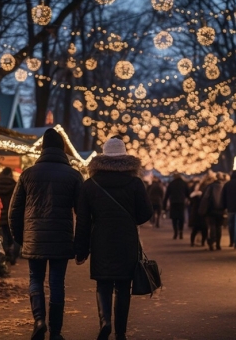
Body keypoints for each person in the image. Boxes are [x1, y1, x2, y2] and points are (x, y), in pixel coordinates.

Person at [74, 137, 153, 340]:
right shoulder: (135, 183)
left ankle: (105, 321)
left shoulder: (90, 185)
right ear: (125, 158)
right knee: (123, 286)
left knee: (103, 284)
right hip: (127, 239)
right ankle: (120, 333)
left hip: (100, 239)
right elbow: (146, 213)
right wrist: (130, 218)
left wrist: (81, 251)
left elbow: (82, 221)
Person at [9, 128, 84, 340]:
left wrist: (22, 239)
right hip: (61, 240)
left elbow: (14, 211)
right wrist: (80, 245)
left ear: (42, 149)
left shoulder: (28, 174)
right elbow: (83, 214)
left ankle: (39, 320)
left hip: (35, 239)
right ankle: (56, 332)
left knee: (35, 279)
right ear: (62, 149)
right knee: (57, 282)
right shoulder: (73, 175)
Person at [0, 167, 19, 265]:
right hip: (11, 215)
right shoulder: (15, 185)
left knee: (3, 236)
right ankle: (13, 255)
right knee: (14, 236)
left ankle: (6, 253)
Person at [198, 172, 224, 250]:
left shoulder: (210, 187)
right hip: (220, 210)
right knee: (219, 227)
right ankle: (218, 244)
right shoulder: (223, 187)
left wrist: (202, 210)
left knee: (212, 226)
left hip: (211, 209)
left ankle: (211, 243)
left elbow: (205, 198)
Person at [163, 173, 190, 239]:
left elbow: (167, 195)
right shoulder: (184, 183)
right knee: (181, 218)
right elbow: (188, 193)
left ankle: (175, 232)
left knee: (174, 218)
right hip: (181, 202)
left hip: (173, 202)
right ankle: (181, 232)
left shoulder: (171, 183)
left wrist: (164, 205)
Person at [189, 177, 208, 247]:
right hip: (203, 213)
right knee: (204, 229)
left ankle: (192, 242)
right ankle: (203, 242)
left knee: (195, 229)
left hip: (195, 214)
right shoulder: (204, 195)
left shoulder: (193, 196)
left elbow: (191, 203)